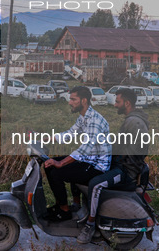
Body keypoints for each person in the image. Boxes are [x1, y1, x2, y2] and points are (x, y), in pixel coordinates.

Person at [77, 88, 150, 244]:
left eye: (117, 102)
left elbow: (125, 150)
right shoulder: (133, 119)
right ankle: (79, 211)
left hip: (125, 171)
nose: (115, 105)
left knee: (95, 184)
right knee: (81, 169)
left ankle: (89, 225)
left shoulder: (134, 122)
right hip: (122, 165)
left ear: (127, 103)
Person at [44, 86, 111, 222]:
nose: (70, 102)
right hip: (89, 160)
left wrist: (61, 163)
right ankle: (64, 205)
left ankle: (64, 211)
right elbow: (70, 133)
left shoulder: (94, 121)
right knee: (49, 165)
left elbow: (85, 149)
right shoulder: (84, 117)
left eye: (73, 99)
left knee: (57, 171)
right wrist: (46, 138)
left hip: (97, 166)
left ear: (84, 101)